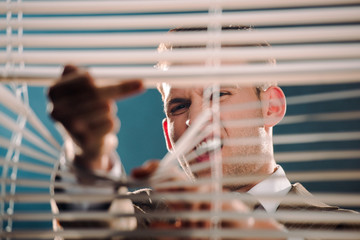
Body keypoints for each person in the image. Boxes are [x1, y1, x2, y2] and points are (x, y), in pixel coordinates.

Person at [49, 27, 359, 240]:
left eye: (218, 94)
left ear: (271, 108)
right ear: (170, 137)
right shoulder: (141, 220)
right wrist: (86, 155)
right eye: (180, 106)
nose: (195, 118)